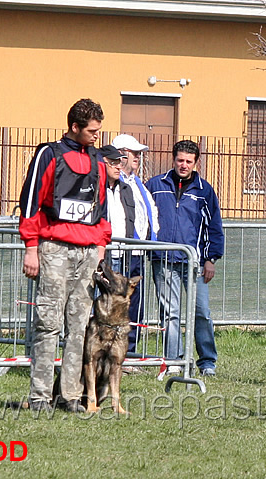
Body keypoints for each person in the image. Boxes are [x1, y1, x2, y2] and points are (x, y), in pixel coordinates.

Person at [19, 98, 111, 413]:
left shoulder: (99, 160)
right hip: (53, 249)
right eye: (92, 130)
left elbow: (101, 209)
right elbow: (30, 203)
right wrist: (31, 248)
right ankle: (40, 397)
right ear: (75, 127)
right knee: (48, 324)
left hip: (87, 253)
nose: (97, 135)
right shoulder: (49, 154)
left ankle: (70, 396)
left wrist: (101, 247)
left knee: (79, 326)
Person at [146, 139, 224, 377]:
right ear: (173, 159)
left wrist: (211, 258)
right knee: (170, 313)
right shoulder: (155, 185)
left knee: (202, 312)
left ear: (195, 162)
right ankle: (174, 360)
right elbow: (144, 217)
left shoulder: (204, 190)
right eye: (180, 160)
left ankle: (207, 361)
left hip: (194, 262)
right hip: (163, 260)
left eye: (189, 161)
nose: (184, 165)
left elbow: (214, 226)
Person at [111, 134, 159, 353]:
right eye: (134, 153)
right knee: (116, 304)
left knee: (135, 304)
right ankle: (113, 350)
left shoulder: (137, 183)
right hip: (118, 252)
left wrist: (152, 237)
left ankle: (129, 351)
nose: (138, 157)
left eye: (139, 153)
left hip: (137, 251)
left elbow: (149, 212)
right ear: (121, 154)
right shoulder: (113, 183)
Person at [98, 145, 135, 275]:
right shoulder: (95, 188)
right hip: (100, 255)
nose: (118, 166)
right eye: (113, 163)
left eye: (119, 162)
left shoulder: (126, 189)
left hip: (122, 257)